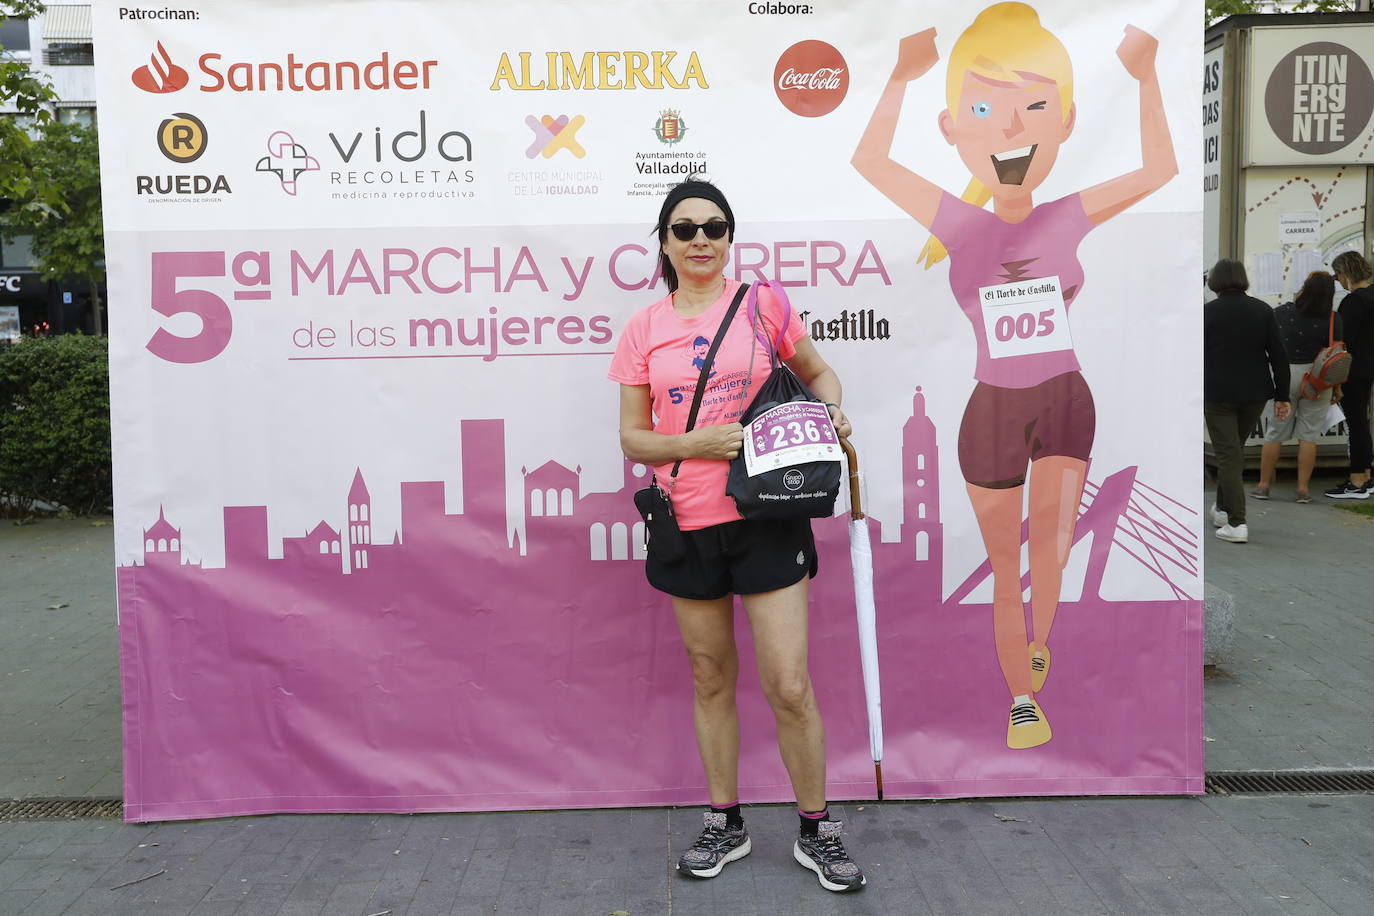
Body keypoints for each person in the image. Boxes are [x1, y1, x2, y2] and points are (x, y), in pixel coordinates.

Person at [851, 2, 1176, 749]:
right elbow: (870, 164)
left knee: (1052, 549)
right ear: (952, 129)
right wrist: (900, 76)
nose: (1010, 128)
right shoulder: (957, 224)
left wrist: (1147, 73)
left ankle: (1039, 639)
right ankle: (1023, 698)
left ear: (1064, 120)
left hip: (1064, 400)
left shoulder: (1068, 213)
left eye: (1033, 106)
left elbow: (1160, 170)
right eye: (983, 108)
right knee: (1007, 567)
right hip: (993, 408)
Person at [607, 179, 865, 892]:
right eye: (684, 228)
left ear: (728, 238)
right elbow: (632, 436)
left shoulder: (762, 305)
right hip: (685, 522)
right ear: (663, 242)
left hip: (768, 514)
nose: (700, 239)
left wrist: (831, 413)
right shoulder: (643, 328)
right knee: (710, 676)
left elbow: (819, 375)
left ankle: (817, 829)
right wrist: (700, 441)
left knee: (789, 683)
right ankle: (726, 821)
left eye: (714, 227)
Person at [1203, 259, 1290, 542]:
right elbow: (1279, 356)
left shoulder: (1206, 313)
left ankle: (1238, 524)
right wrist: (1282, 395)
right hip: (1255, 394)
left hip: (1217, 394)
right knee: (1233, 451)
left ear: (1214, 282)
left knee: (1228, 455)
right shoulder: (1262, 310)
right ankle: (1221, 509)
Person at [1254, 271, 1342, 503]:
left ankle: (1263, 486)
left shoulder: (1282, 313)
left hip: (1284, 374)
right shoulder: (1333, 318)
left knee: (1275, 432)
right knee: (1309, 435)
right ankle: (1303, 490)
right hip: (1317, 379)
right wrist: (1337, 388)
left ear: (1304, 288)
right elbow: (1337, 354)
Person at [1325, 251, 1374, 499]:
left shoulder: (1353, 302)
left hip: (1353, 371)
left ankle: (1356, 481)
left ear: (1346, 274)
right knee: (1362, 422)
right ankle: (1365, 475)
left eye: (1338, 276)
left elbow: (1344, 342)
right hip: (1369, 368)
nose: (1338, 281)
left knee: (1356, 423)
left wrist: (1336, 381)